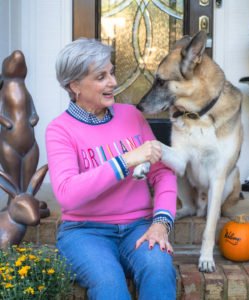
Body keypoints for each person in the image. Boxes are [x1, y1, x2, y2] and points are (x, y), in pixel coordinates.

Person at [45, 38, 177, 300]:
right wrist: (125, 160)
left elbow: (163, 173)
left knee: (160, 269)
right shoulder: (60, 130)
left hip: (138, 226)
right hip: (84, 232)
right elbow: (67, 193)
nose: (113, 82)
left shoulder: (132, 116)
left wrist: (161, 222)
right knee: (109, 284)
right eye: (101, 76)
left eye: (112, 72)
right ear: (75, 85)